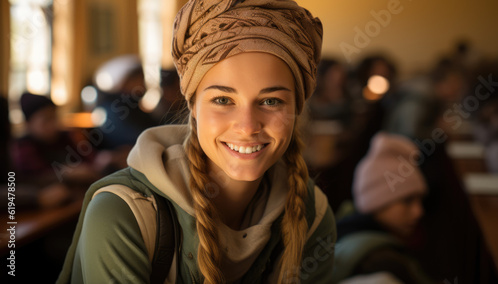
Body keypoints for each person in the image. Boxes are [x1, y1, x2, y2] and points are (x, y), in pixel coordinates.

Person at [58, 1, 336, 283]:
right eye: (223, 100)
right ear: (193, 106)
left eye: (271, 101)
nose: (248, 126)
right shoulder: (124, 215)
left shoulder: (311, 214)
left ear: (297, 108)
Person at [333, 132, 434, 284]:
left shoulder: (344, 227)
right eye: (407, 201)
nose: (419, 212)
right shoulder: (383, 262)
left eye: (420, 201)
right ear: (376, 202)